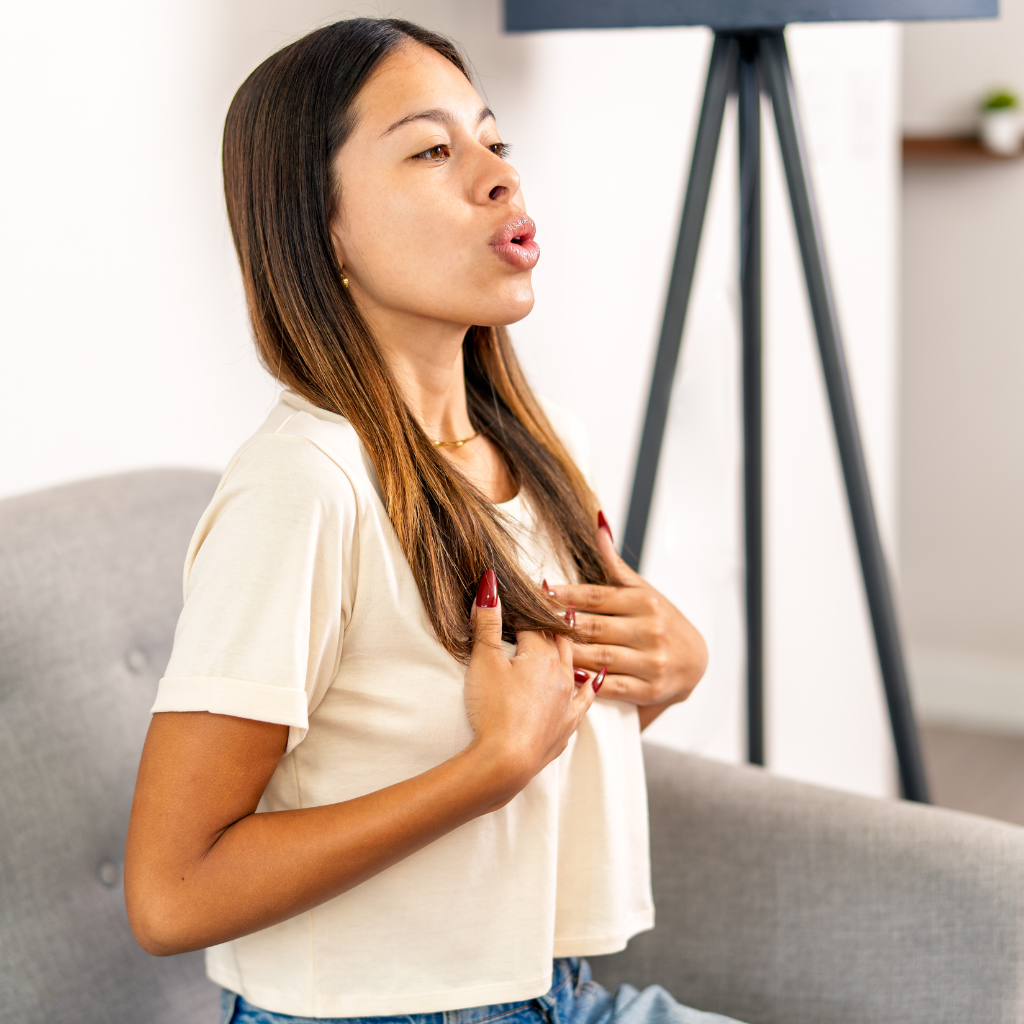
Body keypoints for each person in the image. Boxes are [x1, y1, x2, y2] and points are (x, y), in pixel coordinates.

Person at [125, 17, 745, 1024]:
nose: (499, 176)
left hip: (554, 995)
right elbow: (168, 892)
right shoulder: (306, 488)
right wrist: (484, 769)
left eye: (496, 141)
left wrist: (665, 673)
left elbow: (528, 735)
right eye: (430, 149)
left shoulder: (550, 454)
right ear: (321, 225)